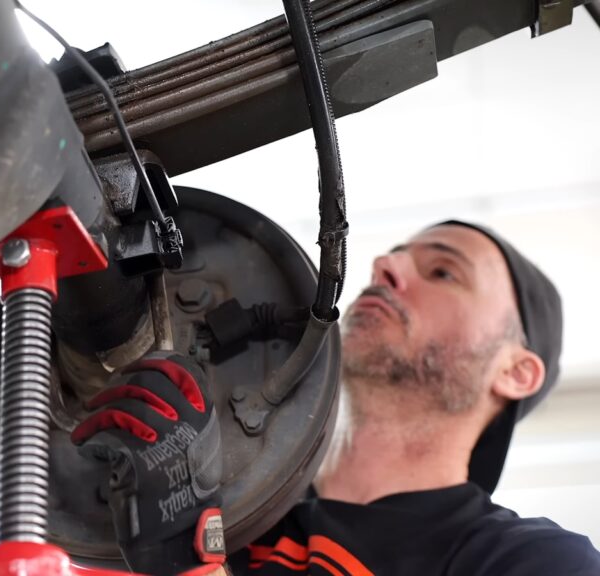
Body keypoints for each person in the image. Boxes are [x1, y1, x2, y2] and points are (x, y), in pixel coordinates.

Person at [74, 221, 600, 575]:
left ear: (516, 371)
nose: (384, 269)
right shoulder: (232, 507)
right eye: (392, 259)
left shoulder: (534, 561)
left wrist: (184, 558)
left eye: (443, 272)